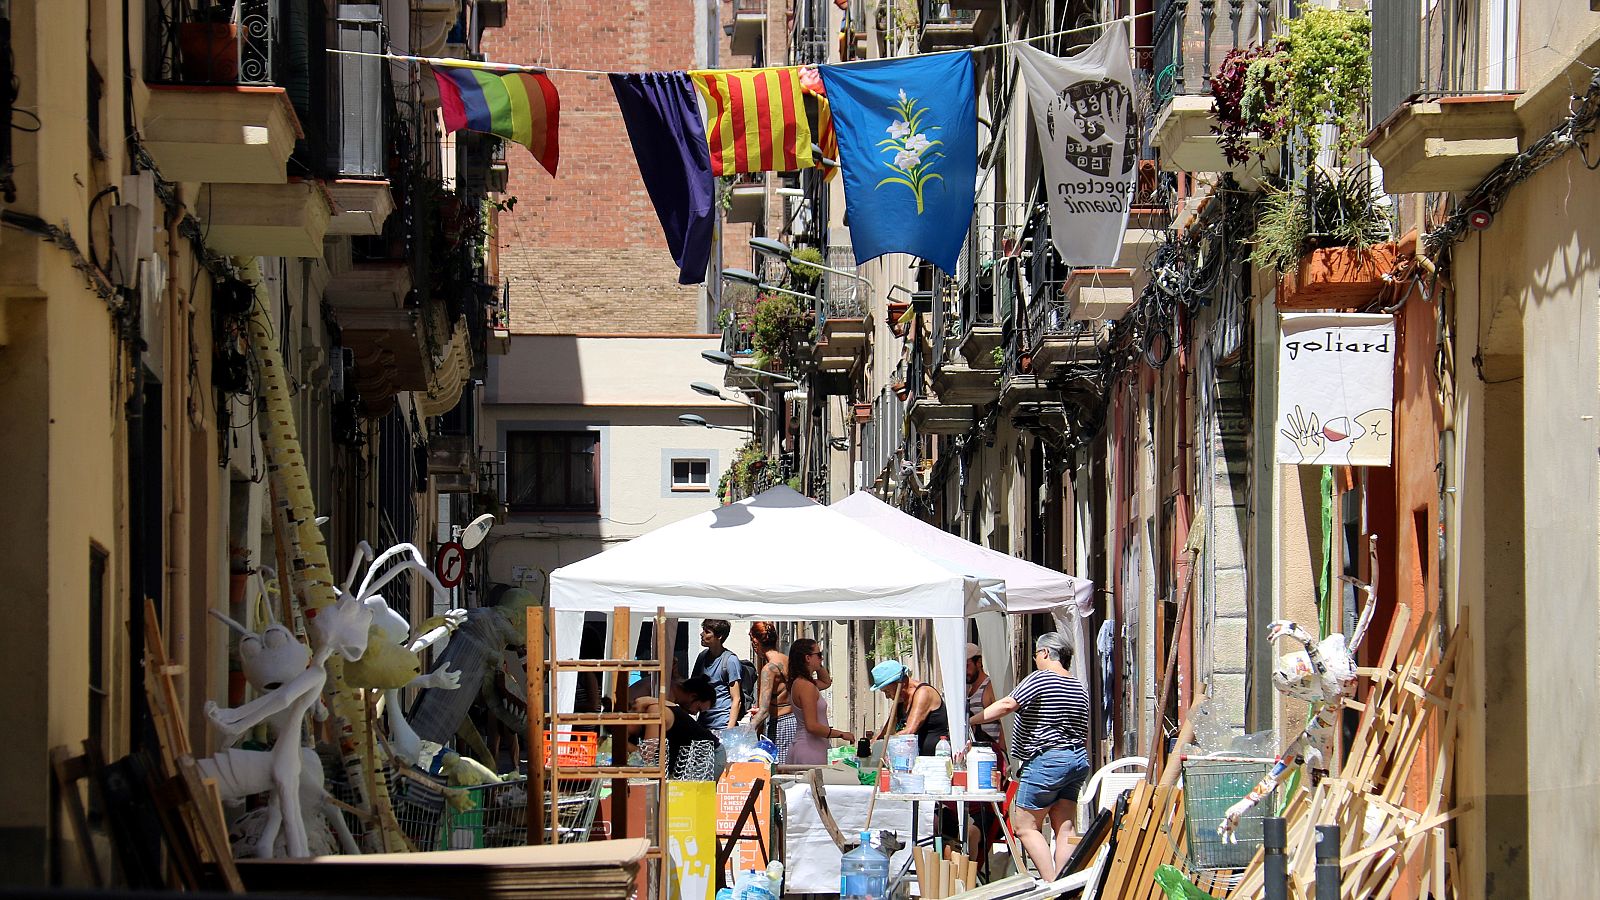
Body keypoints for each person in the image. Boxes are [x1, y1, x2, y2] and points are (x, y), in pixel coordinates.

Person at [969, 633, 1091, 881]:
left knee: (1024, 826)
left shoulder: (1042, 678)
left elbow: (1007, 705)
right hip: (1076, 760)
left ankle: (1051, 885)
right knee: (1065, 827)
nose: (1035, 659)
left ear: (1045, 653)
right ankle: (1066, 886)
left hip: (1047, 760)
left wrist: (970, 720)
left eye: (1036, 654)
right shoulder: (1078, 686)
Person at [633, 676, 721, 779]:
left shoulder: (663, 704)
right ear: (693, 696)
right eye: (698, 709)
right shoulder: (669, 694)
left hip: (708, 755)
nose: (694, 713)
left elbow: (648, 755)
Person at [786, 638, 854, 764]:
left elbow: (826, 682)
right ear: (807, 658)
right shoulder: (806, 686)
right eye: (819, 655)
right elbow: (812, 726)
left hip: (809, 745)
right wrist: (841, 734)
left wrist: (817, 664)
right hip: (810, 748)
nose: (821, 658)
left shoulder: (802, 683)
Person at [869, 660, 949, 756]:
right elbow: (887, 731)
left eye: (887, 691)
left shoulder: (923, 693)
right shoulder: (900, 701)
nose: (887, 696)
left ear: (900, 683)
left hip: (932, 760)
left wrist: (887, 742)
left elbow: (910, 731)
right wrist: (871, 745)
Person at [746, 622, 795, 760]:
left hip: (781, 724)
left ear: (755, 642)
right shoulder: (788, 660)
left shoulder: (769, 669)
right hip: (795, 720)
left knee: (779, 771)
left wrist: (746, 731)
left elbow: (764, 711)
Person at [691, 618, 742, 729]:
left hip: (722, 724)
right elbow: (692, 686)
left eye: (707, 632)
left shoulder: (730, 660)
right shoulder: (702, 657)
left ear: (719, 636)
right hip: (704, 722)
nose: (702, 634)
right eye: (703, 630)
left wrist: (729, 730)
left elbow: (736, 699)